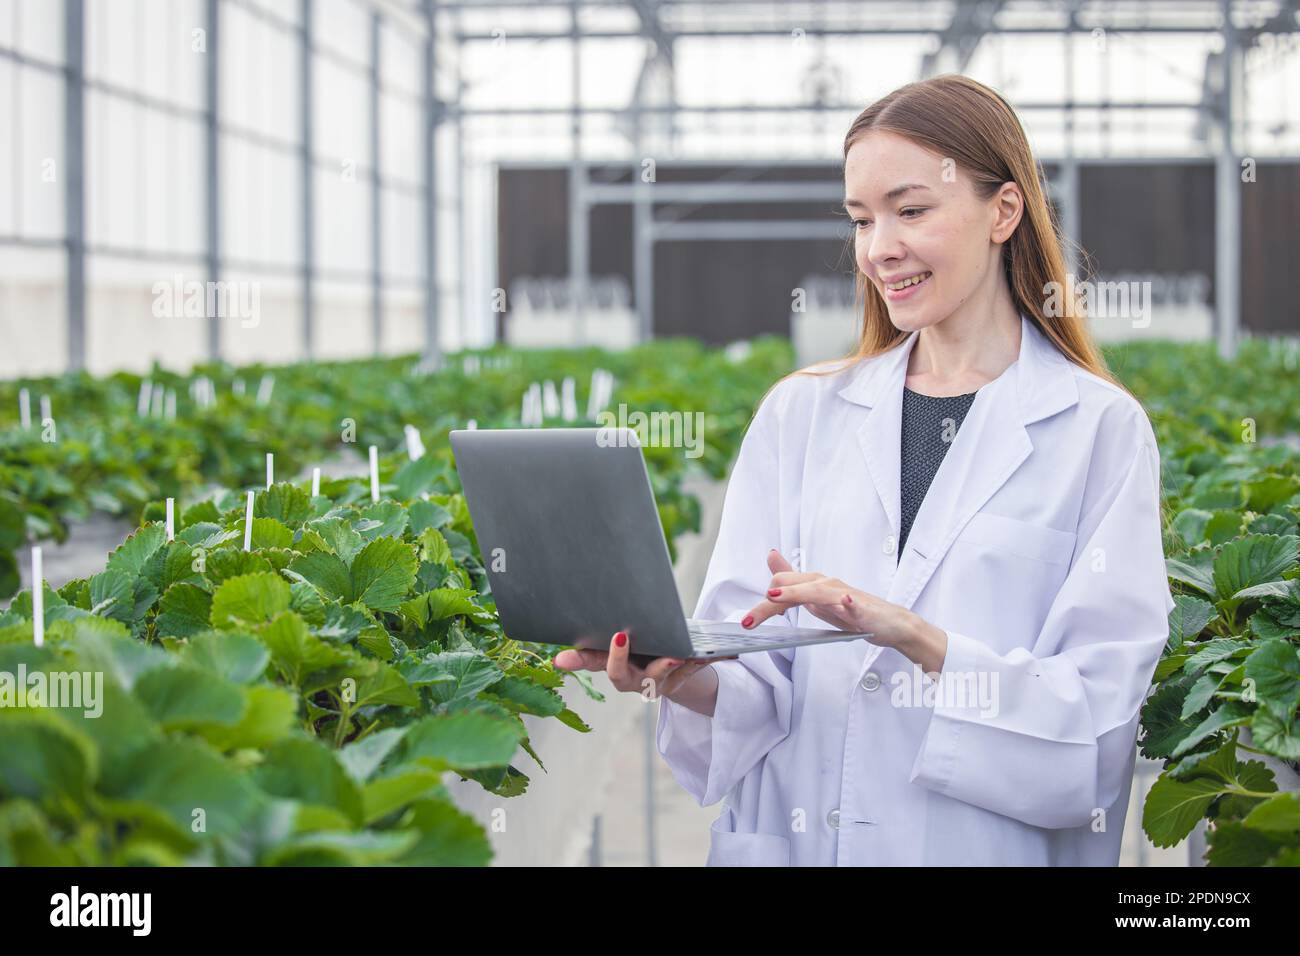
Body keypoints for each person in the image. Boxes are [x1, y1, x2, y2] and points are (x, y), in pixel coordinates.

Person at [554, 74, 1175, 866]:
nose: (880, 247)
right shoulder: (801, 414)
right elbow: (758, 682)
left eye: (911, 210)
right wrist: (679, 678)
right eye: (862, 219)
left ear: (1004, 212)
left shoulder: (1098, 430)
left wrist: (915, 638)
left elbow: (1096, 718)